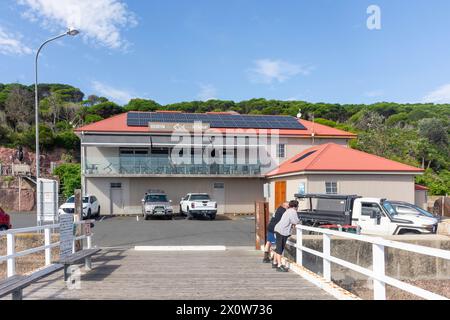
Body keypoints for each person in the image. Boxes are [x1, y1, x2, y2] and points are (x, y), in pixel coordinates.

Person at [273, 200, 300, 272]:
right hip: (282, 231)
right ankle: (279, 265)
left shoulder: (287, 210)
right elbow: (295, 221)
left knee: (278, 247)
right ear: (295, 206)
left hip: (278, 229)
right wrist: (296, 223)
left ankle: (275, 262)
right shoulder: (293, 211)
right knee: (280, 248)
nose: (298, 208)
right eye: (298, 206)